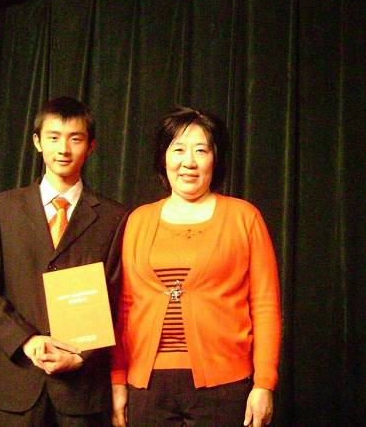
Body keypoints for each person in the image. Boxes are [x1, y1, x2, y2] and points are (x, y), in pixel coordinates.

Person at [111, 107, 281, 427]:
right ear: (163, 158)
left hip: (225, 387)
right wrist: (118, 380)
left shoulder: (244, 217)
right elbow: (125, 308)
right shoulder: (137, 221)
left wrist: (264, 384)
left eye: (201, 150)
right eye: (178, 149)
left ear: (215, 159)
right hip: (147, 387)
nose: (188, 162)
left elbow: (265, 306)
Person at [0, 96, 127, 427]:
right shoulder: (2, 209)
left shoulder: (114, 218)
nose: (63, 149)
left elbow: (116, 299)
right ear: (37, 142)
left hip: (82, 391)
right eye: (53, 137)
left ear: (91, 146)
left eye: (75, 139)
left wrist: (80, 356)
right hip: (17, 384)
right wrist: (26, 340)